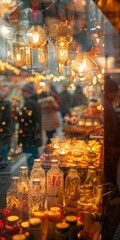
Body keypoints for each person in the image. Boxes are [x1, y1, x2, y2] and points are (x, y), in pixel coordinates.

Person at [17, 81, 42, 173]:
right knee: (34, 155)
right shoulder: (34, 101)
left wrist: (18, 114)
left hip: (29, 135)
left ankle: (34, 173)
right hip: (33, 134)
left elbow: (27, 117)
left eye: (23, 92)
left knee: (31, 155)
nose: (22, 94)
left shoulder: (29, 102)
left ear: (27, 92)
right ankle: (36, 172)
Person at [0, 88, 13, 168]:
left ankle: (4, 162)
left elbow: (7, 119)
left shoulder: (5, 105)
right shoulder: (7, 104)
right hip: (5, 131)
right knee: (4, 148)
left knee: (3, 148)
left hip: (4, 131)